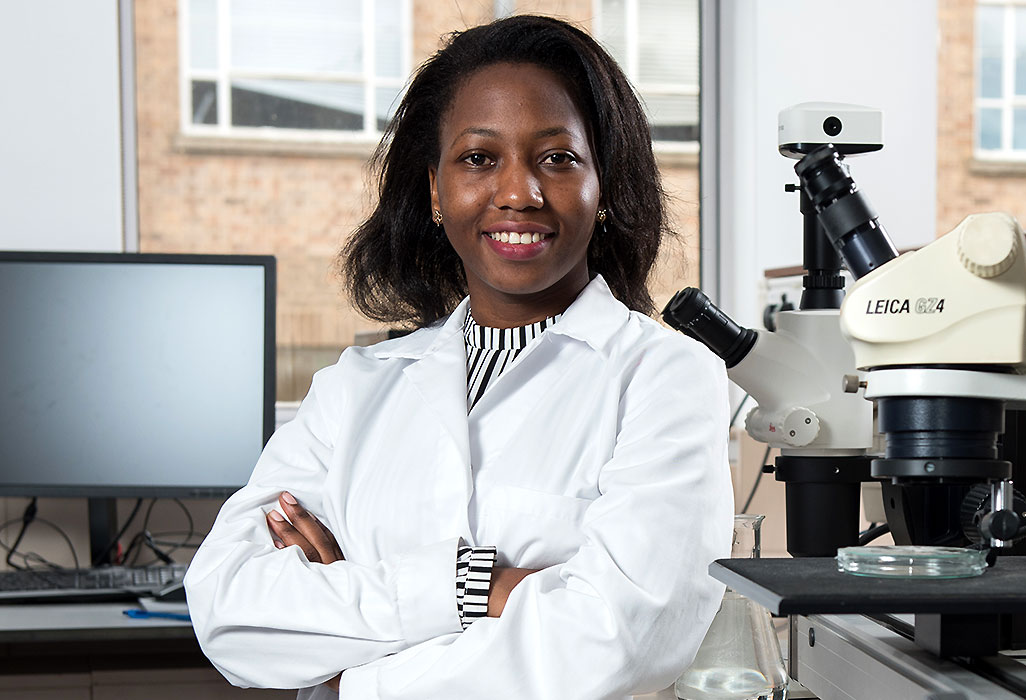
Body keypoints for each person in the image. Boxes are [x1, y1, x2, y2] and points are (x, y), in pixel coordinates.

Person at [184, 15, 732, 699]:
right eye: (479, 158)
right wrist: (475, 584)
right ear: (438, 193)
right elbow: (230, 613)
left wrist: (353, 671)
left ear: (604, 187)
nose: (517, 193)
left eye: (558, 158)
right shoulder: (354, 389)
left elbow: (616, 644)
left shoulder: (667, 379)